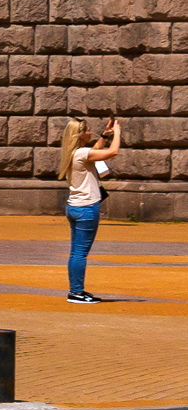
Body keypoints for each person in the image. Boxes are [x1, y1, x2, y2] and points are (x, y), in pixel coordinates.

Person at [62, 116, 121, 304]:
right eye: (87, 130)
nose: (90, 132)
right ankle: (76, 293)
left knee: (76, 252)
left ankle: (77, 291)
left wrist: (105, 135)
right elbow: (112, 153)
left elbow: (95, 151)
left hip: (74, 207)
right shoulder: (81, 154)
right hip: (86, 208)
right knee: (80, 253)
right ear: (80, 134)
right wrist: (118, 134)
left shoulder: (73, 152)